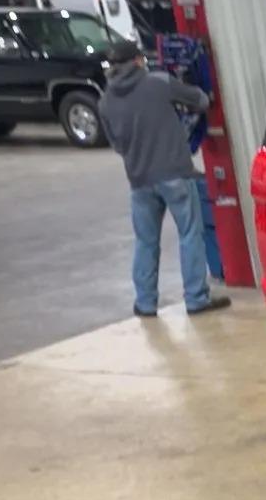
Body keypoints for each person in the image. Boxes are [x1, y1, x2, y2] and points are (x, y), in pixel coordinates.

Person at [98, 39, 230, 318]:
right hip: (175, 175)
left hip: (139, 180)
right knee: (189, 234)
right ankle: (196, 298)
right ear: (137, 61)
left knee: (146, 241)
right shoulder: (158, 83)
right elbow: (202, 100)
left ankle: (145, 303)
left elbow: (117, 146)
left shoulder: (105, 101)